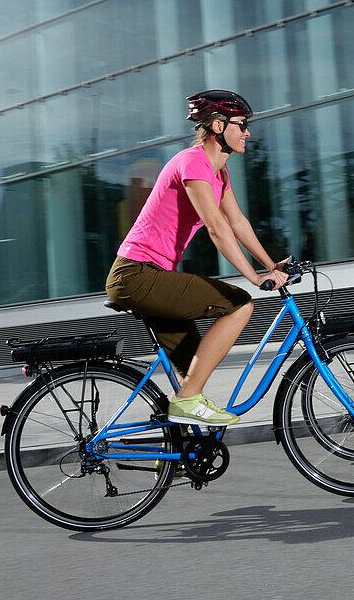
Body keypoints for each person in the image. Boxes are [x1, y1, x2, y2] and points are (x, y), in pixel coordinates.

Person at [105, 90, 288, 427]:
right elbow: (217, 228)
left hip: (151, 277)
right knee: (240, 304)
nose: (247, 132)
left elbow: (238, 223)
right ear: (218, 126)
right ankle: (187, 401)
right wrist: (253, 277)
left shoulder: (219, 174)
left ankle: (173, 450)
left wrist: (271, 265)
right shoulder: (193, 162)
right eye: (242, 125)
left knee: (193, 374)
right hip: (136, 275)